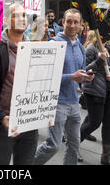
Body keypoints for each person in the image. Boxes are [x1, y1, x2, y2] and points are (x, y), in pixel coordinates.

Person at [0, 2, 38, 165]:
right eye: (15, 15)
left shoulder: (33, 48)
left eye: (24, 15)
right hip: (4, 122)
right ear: (5, 20)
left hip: (29, 121)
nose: (21, 19)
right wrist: (1, 116)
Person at [33, 8, 94, 165]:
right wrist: (71, 77)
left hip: (74, 103)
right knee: (53, 145)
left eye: (76, 22)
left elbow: (80, 77)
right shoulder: (54, 44)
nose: (72, 25)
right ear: (63, 22)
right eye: (69, 21)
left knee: (74, 145)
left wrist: (87, 77)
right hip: (57, 103)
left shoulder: (81, 47)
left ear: (81, 25)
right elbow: (44, 76)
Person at [80, 30, 110, 165]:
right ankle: (73, 145)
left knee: (108, 125)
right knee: (94, 122)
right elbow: (84, 70)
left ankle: (106, 157)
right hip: (94, 92)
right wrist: (99, 60)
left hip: (109, 92)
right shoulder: (90, 49)